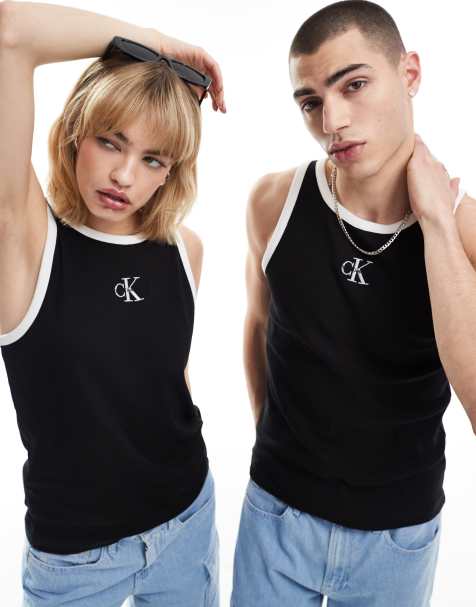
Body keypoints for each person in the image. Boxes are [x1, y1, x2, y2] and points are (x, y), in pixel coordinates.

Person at [231, 1, 476, 605]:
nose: (332, 121)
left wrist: (437, 225)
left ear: (409, 73)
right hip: (276, 518)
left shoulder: (464, 230)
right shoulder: (273, 202)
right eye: (310, 102)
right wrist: (276, 453)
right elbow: (259, 326)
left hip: (397, 539)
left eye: (354, 85)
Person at [0, 2, 226, 605]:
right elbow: (10, 31)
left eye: (152, 159)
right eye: (110, 142)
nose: (125, 175)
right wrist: (150, 41)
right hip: (77, 560)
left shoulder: (185, 251)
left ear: (169, 173)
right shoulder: (26, 244)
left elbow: (164, 379)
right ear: (76, 132)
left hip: (187, 522)